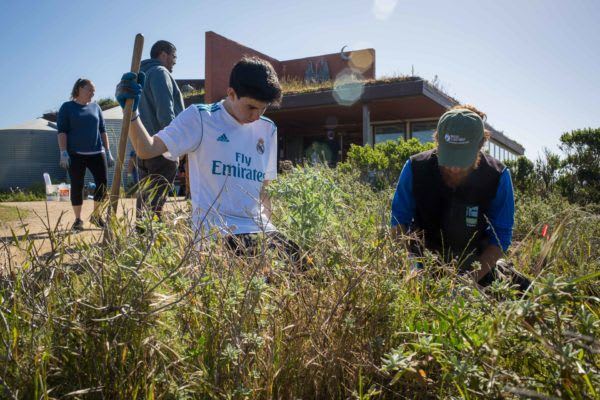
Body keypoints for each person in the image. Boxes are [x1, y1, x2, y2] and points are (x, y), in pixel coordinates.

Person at [116, 57, 300, 261]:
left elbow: (264, 188)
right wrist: (131, 112)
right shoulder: (201, 118)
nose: (256, 116)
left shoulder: (268, 128)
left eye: (263, 108)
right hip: (217, 232)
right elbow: (147, 149)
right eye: (251, 107)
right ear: (231, 93)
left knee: (301, 263)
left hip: (259, 228)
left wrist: (270, 230)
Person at [391, 105, 530, 291]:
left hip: (475, 264)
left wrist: (467, 282)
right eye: (449, 157)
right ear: (437, 142)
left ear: (480, 146)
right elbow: (399, 222)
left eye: (463, 159)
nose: (455, 168)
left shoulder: (498, 176)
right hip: (423, 261)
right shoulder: (415, 168)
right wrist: (410, 268)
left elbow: (501, 237)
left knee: (527, 294)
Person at [136, 40, 184, 223]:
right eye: (174, 56)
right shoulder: (159, 73)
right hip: (161, 146)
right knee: (156, 199)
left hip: (143, 146)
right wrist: (173, 145)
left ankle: (141, 236)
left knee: (145, 196)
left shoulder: (140, 75)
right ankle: (151, 238)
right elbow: (165, 111)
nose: (175, 61)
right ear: (163, 54)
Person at [57, 78, 114, 231]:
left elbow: (102, 130)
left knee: (102, 183)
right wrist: (63, 151)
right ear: (79, 89)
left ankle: (96, 215)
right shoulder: (67, 107)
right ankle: (78, 219)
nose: (92, 93)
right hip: (75, 154)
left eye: (93, 91)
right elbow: (62, 131)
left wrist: (108, 151)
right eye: (90, 90)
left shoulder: (96, 108)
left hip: (97, 152)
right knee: (77, 185)